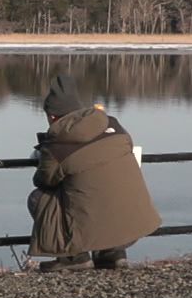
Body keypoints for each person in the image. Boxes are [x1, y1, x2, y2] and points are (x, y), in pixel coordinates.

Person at [27, 72, 162, 272]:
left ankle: (74, 257)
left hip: (95, 218)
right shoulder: (113, 125)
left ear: (52, 116)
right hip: (134, 222)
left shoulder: (57, 143)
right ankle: (112, 254)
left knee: (38, 198)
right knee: (102, 189)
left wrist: (44, 155)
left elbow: (43, 181)